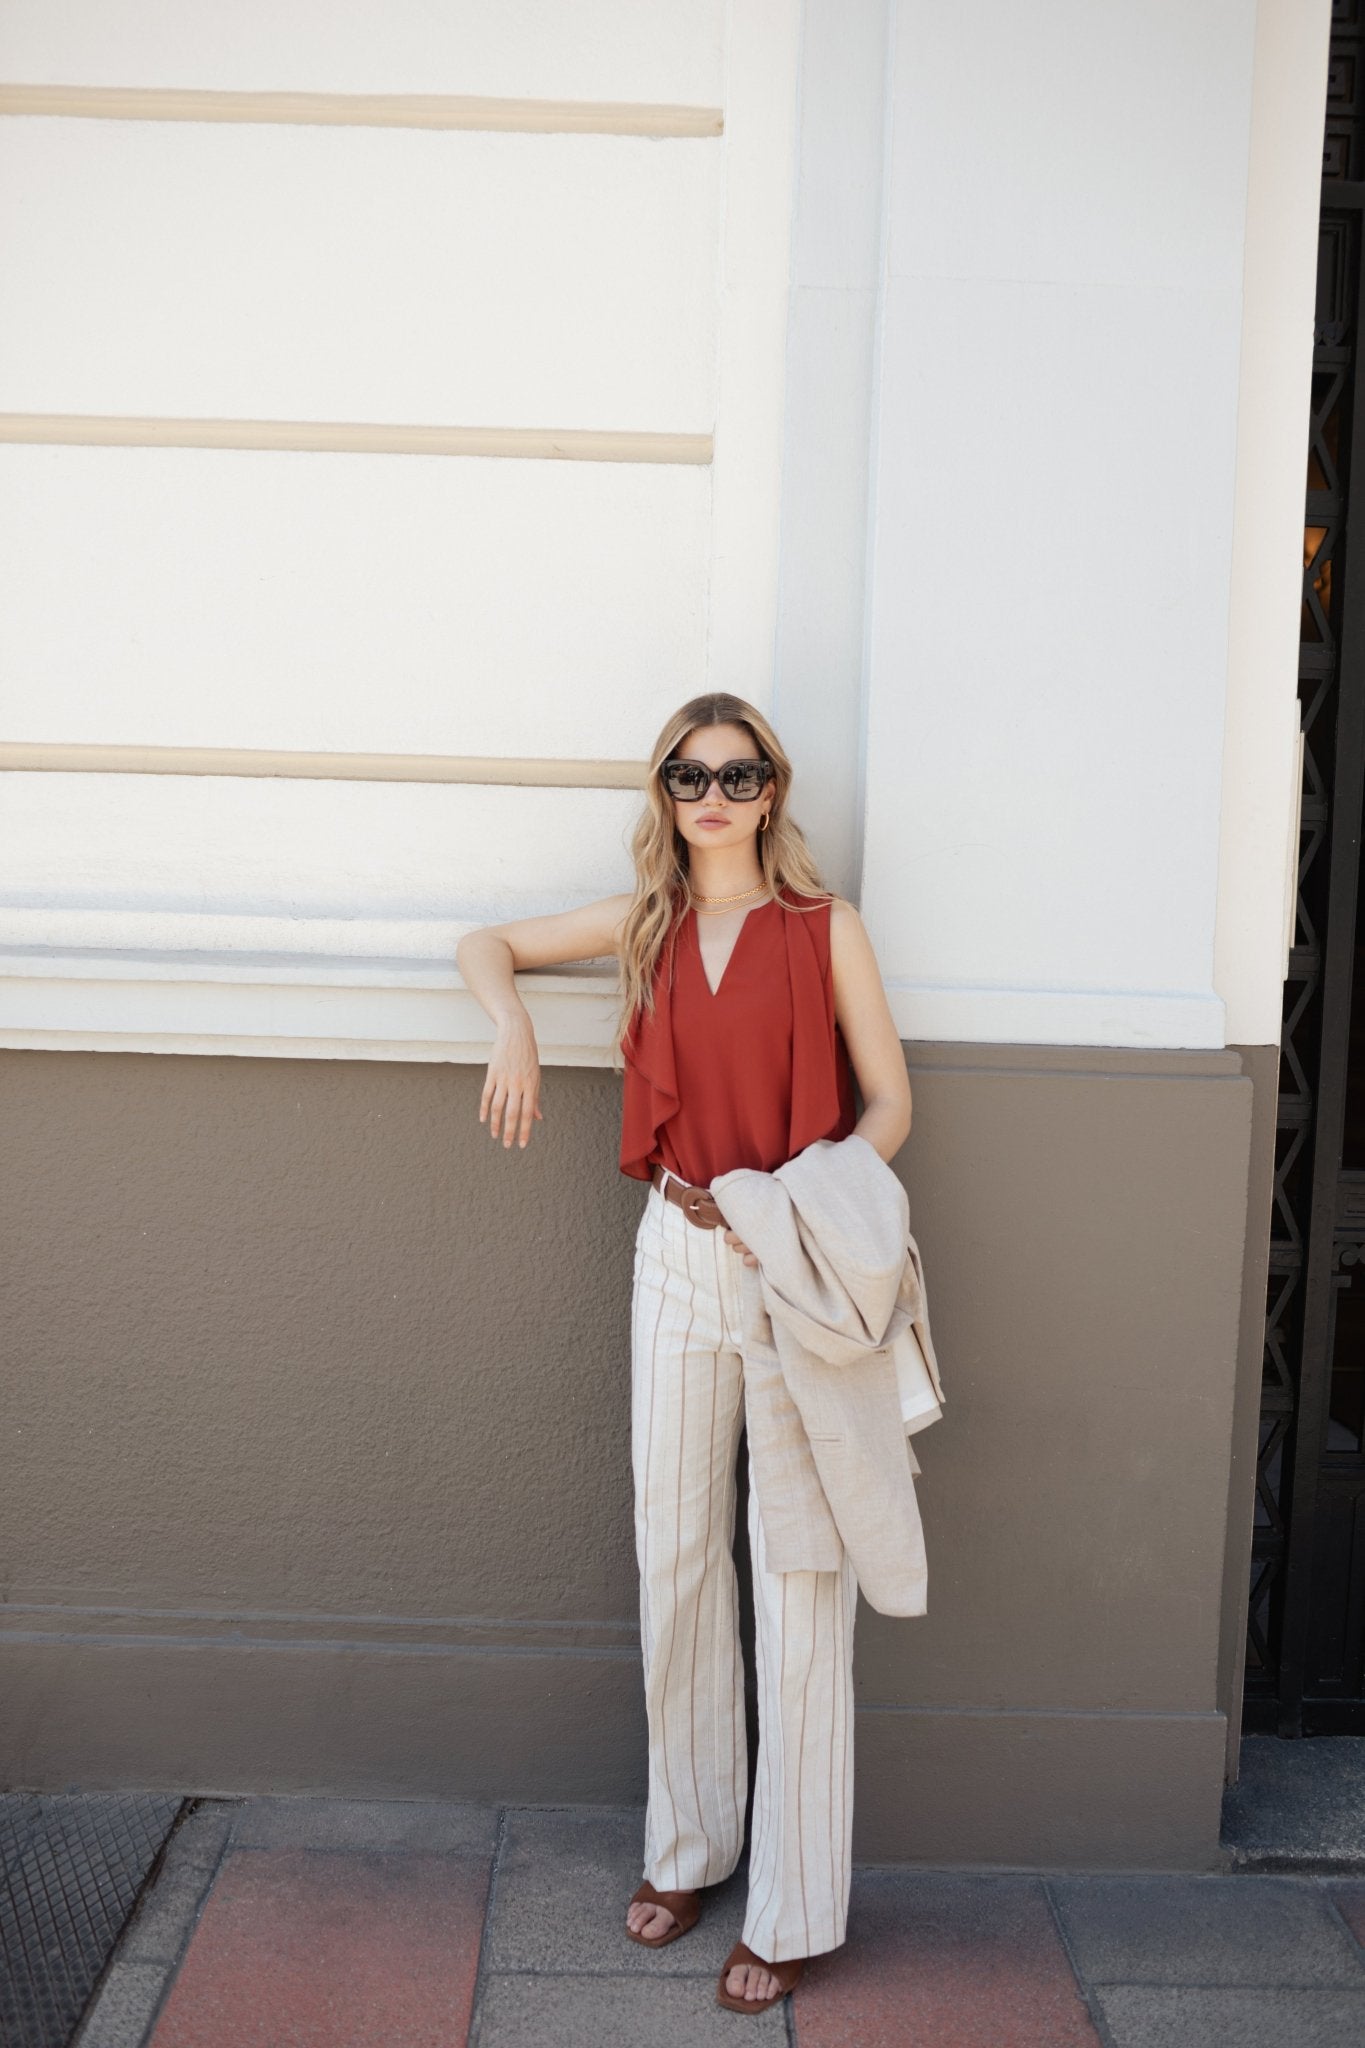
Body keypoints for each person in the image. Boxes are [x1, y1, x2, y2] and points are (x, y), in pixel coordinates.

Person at [456, 692, 913, 2013]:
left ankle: (793, 1905)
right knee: (675, 1553)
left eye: (737, 774)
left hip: (791, 1255)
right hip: (671, 1248)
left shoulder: (825, 928)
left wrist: (794, 1201)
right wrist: (511, 1021)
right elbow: (484, 943)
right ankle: (689, 1844)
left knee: (799, 1570)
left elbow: (891, 1103)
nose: (712, 796)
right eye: (687, 775)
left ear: (773, 790)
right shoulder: (646, 922)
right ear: (664, 792)